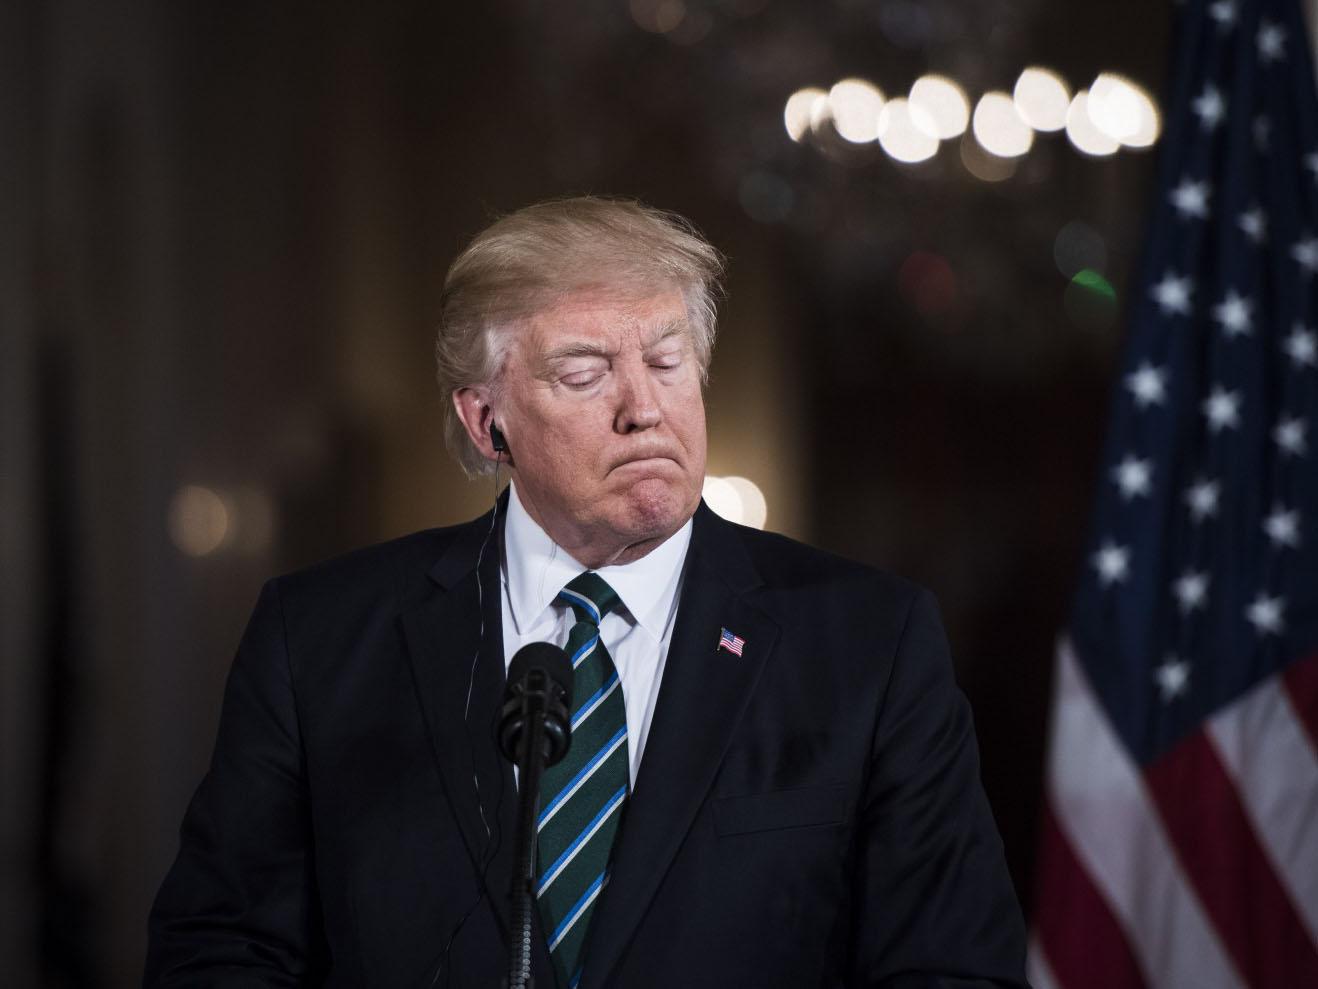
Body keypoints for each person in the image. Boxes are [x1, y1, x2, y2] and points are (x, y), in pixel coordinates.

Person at [145, 197, 1028, 988]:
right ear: (487, 421)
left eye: (668, 362)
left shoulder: (868, 643)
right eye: (585, 372)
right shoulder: (320, 639)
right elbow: (221, 951)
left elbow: (952, 966)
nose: (644, 407)